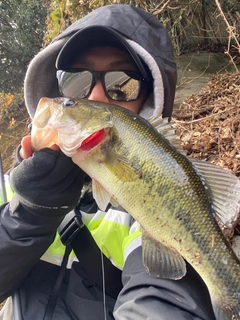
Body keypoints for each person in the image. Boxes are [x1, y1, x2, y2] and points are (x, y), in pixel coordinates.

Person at [0, 4, 216, 320]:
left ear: (149, 100)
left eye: (122, 82)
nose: (97, 97)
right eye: (76, 81)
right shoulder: (12, 183)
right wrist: (29, 214)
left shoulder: (171, 190)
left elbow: (165, 304)